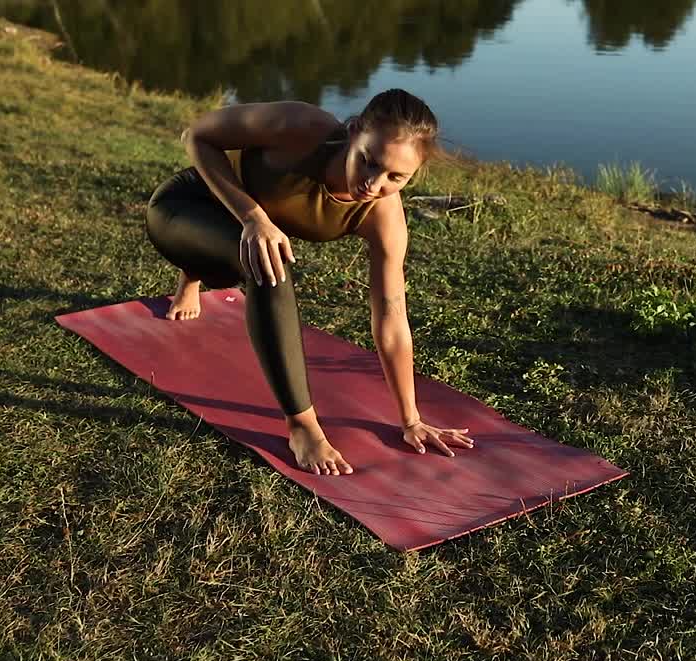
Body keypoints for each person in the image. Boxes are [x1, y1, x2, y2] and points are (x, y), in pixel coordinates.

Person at [144, 89, 474, 476]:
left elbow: (392, 319)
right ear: (353, 133)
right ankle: (302, 427)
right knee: (269, 266)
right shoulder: (300, 127)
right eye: (368, 162)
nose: (373, 183)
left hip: (233, 235)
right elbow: (195, 136)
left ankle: (197, 272)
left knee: (246, 257)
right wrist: (253, 216)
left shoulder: (384, 219)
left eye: (395, 177)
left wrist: (411, 420)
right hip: (184, 206)